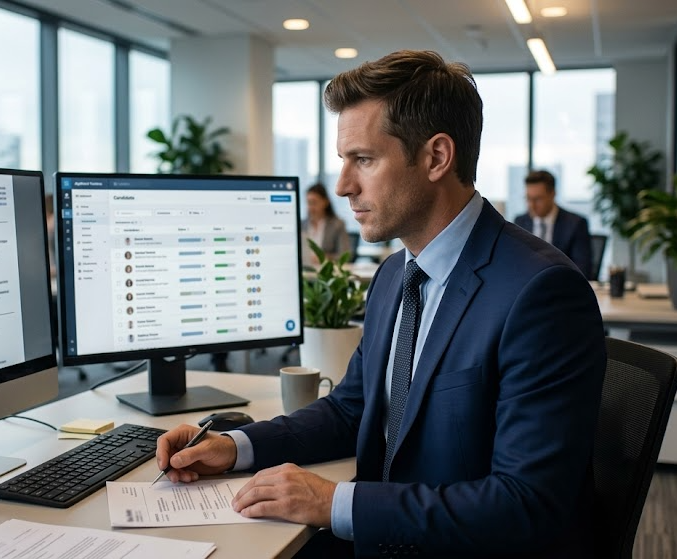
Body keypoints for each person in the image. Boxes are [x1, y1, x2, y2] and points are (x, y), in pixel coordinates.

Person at [155, 50, 606, 557]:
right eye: (344, 162)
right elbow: (353, 409)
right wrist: (238, 447)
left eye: (363, 160)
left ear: (436, 157)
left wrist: (336, 504)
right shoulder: (396, 274)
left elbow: (527, 503)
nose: (344, 186)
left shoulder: (540, 292)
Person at [514, 170, 594, 279]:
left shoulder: (575, 224)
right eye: (528, 198)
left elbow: (582, 270)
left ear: (552, 194)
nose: (531, 205)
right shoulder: (521, 222)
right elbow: (515, 262)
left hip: (561, 288)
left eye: (537, 199)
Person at [303, 183, 353, 265]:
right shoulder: (302, 225)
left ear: (325, 202)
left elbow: (345, 255)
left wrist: (324, 258)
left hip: (327, 272)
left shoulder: (337, 225)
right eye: (308, 203)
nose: (310, 207)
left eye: (314, 202)